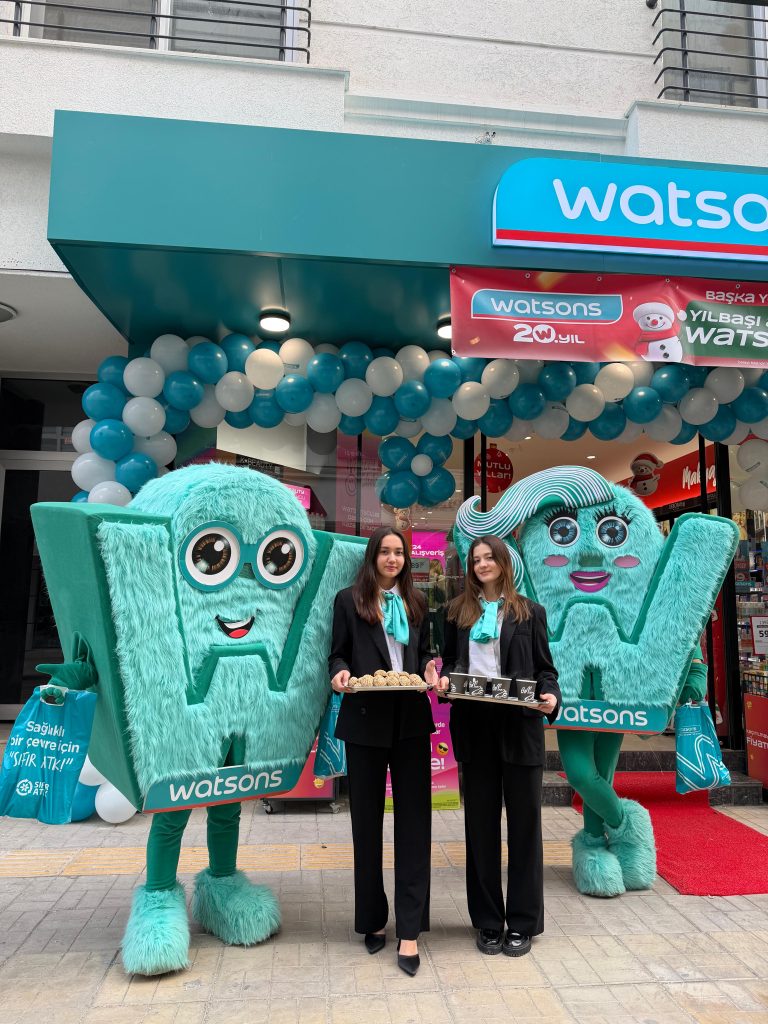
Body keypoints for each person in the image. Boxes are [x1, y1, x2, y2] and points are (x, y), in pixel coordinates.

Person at [439, 534, 561, 958]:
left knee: (525, 828)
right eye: (476, 560)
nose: (482, 565)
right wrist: (445, 680)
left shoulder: (529, 612)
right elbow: (450, 662)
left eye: (489, 558)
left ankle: (523, 923)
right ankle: (489, 921)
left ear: (504, 563)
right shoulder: (456, 612)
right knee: (481, 828)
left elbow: (545, 670)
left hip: (520, 727)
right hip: (475, 727)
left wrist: (551, 696)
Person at [329, 527, 443, 977]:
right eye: (385, 552)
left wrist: (430, 666)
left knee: (415, 825)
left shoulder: (417, 602)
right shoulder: (348, 601)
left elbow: (426, 653)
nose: (393, 559)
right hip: (364, 719)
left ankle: (410, 930)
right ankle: (372, 919)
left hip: (410, 719)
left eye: (399, 553)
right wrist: (340, 674)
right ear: (373, 557)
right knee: (366, 825)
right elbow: (337, 654)